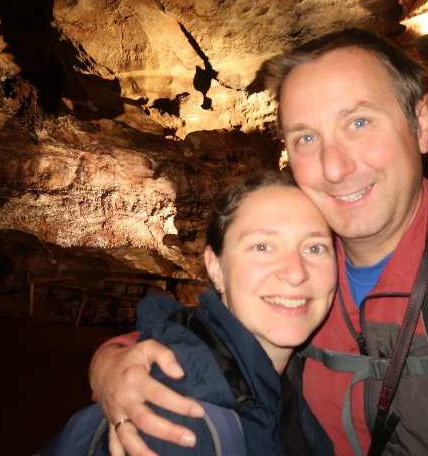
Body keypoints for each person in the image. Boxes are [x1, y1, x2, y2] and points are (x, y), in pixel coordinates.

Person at [89, 28, 428, 456]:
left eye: (358, 122)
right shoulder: (303, 273)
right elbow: (219, 333)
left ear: (422, 123)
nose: (333, 168)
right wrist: (115, 359)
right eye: (305, 137)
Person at [42, 171, 337, 455]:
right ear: (216, 267)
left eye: (314, 248)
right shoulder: (179, 421)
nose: (296, 273)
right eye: (262, 246)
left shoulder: (296, 383)